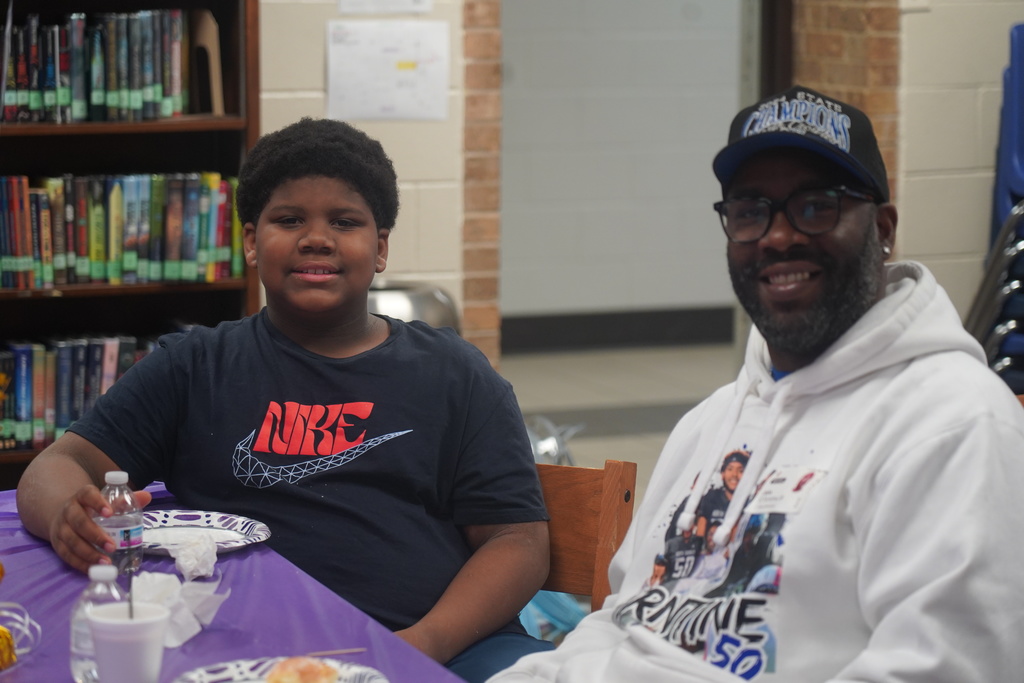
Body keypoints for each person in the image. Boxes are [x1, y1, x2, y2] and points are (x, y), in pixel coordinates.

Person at [488, 85, 1024, 682]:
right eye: (750, 211)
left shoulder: (955, 423)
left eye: (815, 206)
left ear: (885, 227)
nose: (776, 236)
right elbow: (623, 620)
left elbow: (944, 671)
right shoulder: (711, 422)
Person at [16, 117, 553, 682]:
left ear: (380, 248)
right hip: (244, 655)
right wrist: (65, 514)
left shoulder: (455, 374)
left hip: (436, 643)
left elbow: (516, 540)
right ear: (251, 240)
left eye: (345, 222)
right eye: (289, 219)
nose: (316, 237)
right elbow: (57, 466)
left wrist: (419, 645)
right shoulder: (194, 366)